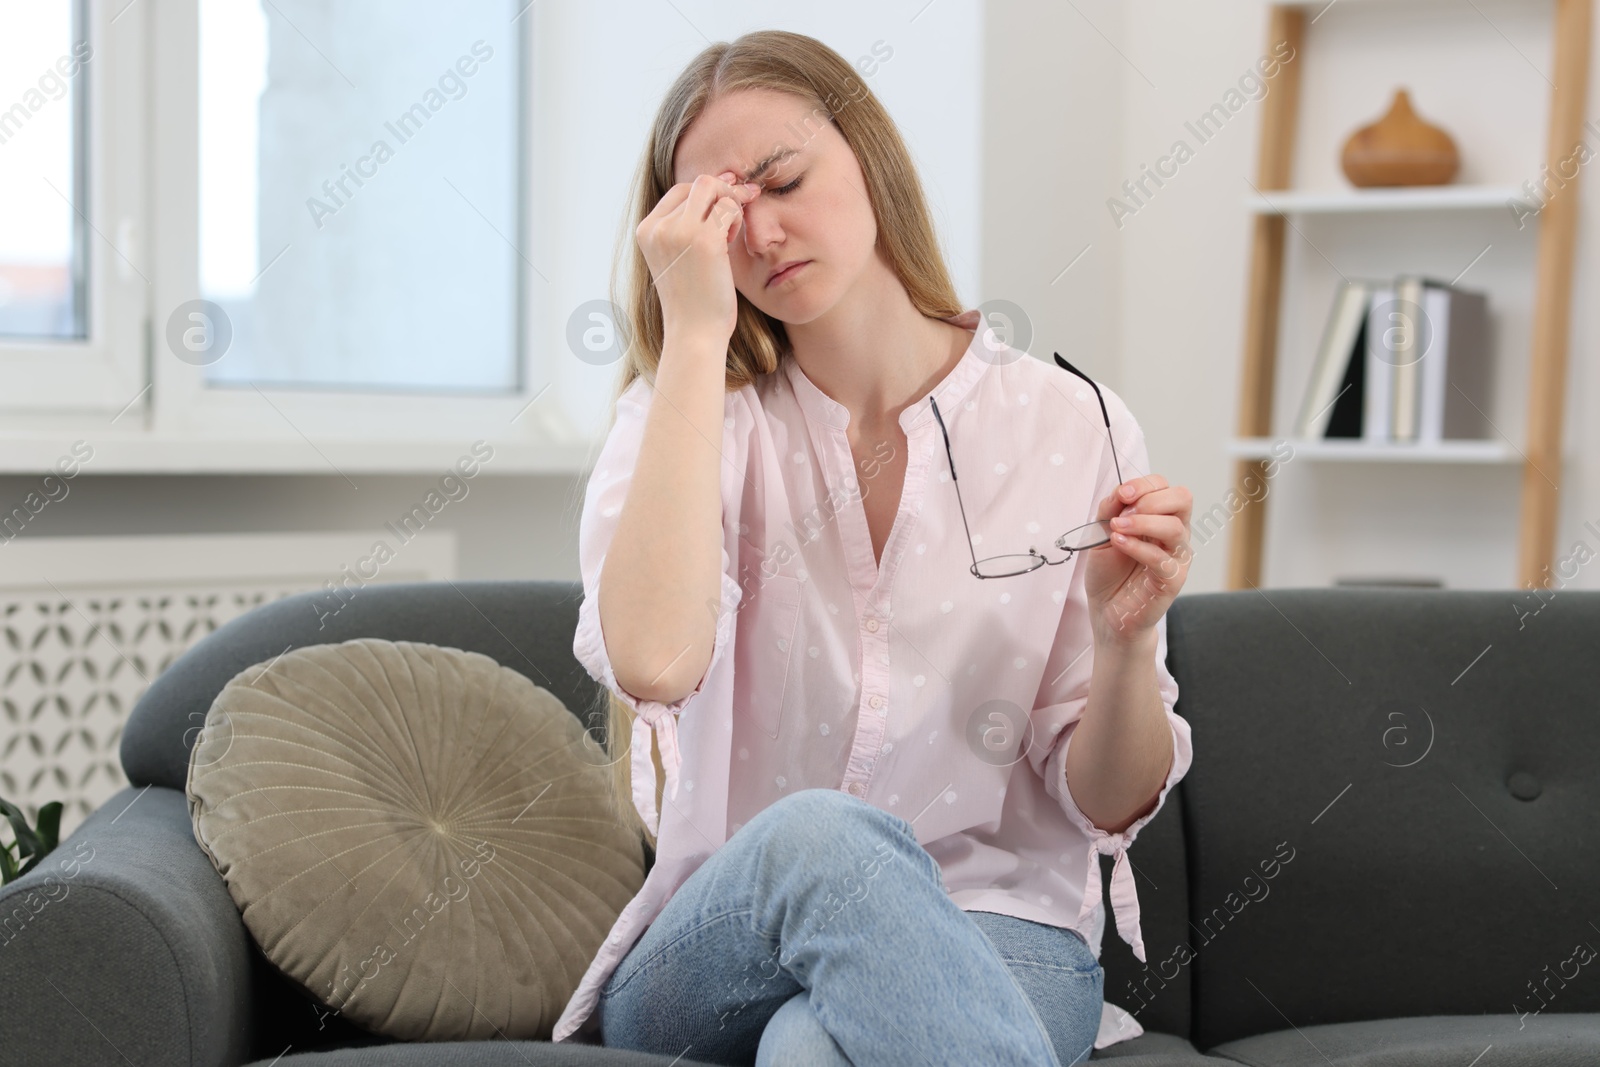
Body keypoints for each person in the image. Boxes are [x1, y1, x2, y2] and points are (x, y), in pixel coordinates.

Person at [552, 28, 1196, 1066]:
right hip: (730, 937)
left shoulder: (1073, 423)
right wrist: (691, 340)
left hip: (999, 925)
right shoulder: (683, 415)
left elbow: (1106, 801)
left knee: (815, 1050)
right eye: (721, 212)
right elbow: (655, 661)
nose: (759, 232)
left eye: (782, 180)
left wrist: (1125, 643)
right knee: (821, 836)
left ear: (870, 159)